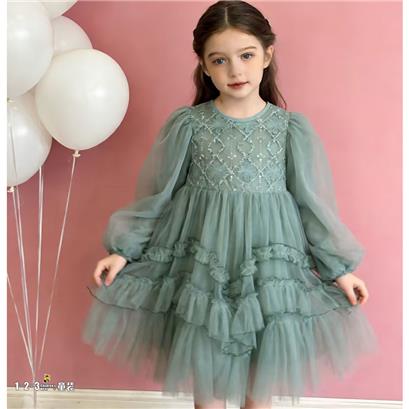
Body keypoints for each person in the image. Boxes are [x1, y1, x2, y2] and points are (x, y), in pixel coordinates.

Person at [81, 1, 379, 408]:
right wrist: (123, 250)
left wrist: (340, 270)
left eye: (246, 55)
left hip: (269, 269)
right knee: (208, 384)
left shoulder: (289, 130)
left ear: (267, 55)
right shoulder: (189, 125)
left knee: (260, 388)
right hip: (204, 269)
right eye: (219, 60)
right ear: (204, 66)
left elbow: (311, 204)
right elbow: (158, 194)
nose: (235, 70)